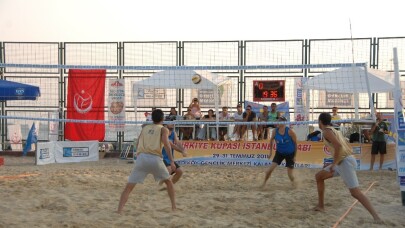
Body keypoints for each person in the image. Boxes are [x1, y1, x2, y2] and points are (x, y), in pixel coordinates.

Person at [314, 112, 381, 222]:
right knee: (319, 176)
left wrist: (334, 163)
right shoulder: (334, 130)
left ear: (320, 122)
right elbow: (343, 144)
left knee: (355, 192)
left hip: (344, 162)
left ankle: (376, 217)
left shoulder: (326, 131)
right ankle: (321, 206)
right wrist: (335, 162)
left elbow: (338, 145)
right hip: (344, 160)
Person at [117, 109, 177, 214]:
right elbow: (167, 145)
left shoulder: (145, 128)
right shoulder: (164, 129)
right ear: (162, 119)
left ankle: (119, 210)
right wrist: (172, 161)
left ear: (152, 118)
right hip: (155, 159)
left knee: (129, 187)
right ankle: (174, 207)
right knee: (169, 182)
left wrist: (138, 154)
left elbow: (138, 141)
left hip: (142, 159)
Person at [261, 116, 297, 188]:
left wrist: (295, 156)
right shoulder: (275, 131)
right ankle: (264, 184)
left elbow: (295, 144)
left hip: (290, 154)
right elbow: (271, 141)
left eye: (279, 120)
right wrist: (270, 152)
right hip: (279, 153)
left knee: (290, 175)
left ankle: (294, 184)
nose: (277, 121)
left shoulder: (290, 131)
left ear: (284, 122)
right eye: (278, 120)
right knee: (269, 170)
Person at [162, 122, 187, 187]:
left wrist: (183, 149)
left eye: (173, 123)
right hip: (161, 157)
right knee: (168, 170)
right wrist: (182, 151)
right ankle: (159, 186)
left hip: (169, 158)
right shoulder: (163, 133)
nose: (172, 124)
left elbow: (177, 142)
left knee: (179, 171)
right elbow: (172, 145)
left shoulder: (173, 133)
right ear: (166, 125)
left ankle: (169, 187)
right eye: (170, 123)